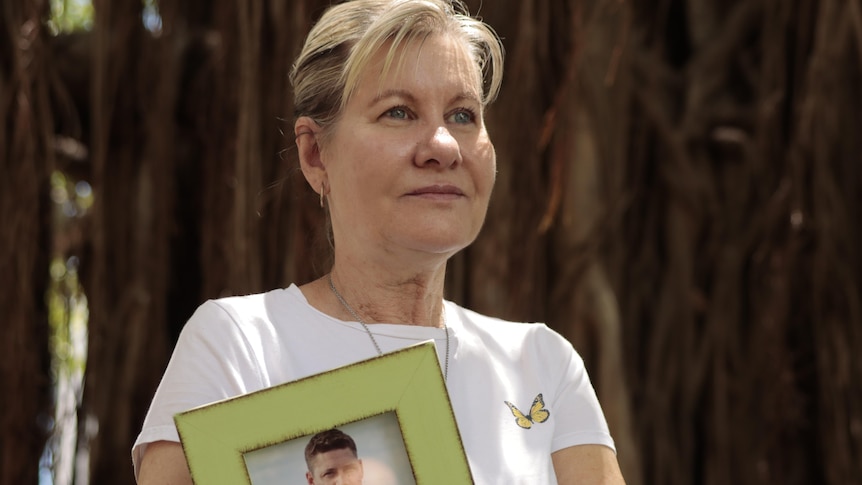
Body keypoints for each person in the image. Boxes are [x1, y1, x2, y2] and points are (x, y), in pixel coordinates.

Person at [133, 0, 626, 483]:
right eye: (398, 112)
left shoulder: (541, 363)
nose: (443, 147)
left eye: (462, 115)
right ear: (314, 154)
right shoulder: (241, 343)